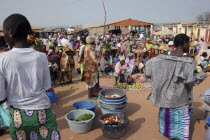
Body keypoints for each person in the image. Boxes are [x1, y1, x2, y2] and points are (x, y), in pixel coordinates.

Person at [1, 14, 60, 139]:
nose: (4, 36)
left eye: (4, 32)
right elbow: (46, 86)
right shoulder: (42, 57)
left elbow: (1, 97)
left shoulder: (2, 59)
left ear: (10, 32)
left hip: (19, 117)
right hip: (43, 112)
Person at [145, 34, 208, 140]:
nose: (189, 46)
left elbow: (148, 72)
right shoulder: (187, 61)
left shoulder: (159, 58)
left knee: (168, 123)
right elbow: (192, 81)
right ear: (184, 44)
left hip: (164, 98)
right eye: (188, 43)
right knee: (179, 128)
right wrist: (203, 72)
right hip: (179, 99)